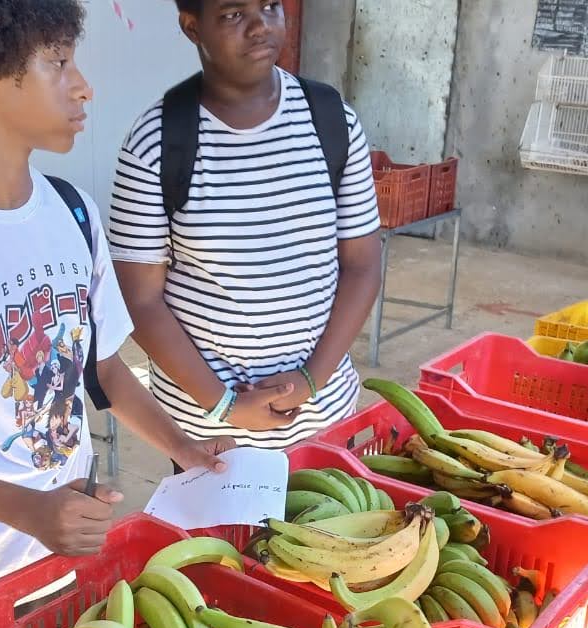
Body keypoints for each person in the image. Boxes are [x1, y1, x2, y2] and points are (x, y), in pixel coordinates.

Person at [0, 0, 231, 615]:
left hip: (68, 542)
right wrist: (32, 512)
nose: (83, 86)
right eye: (57, 63)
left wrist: (184, 447)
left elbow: (103, 369)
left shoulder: (74, 213)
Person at [109, 0, 384, 452]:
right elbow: (139, 299)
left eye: (270, 6)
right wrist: (226, 406)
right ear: (192, 27)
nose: (260, 27)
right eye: (234, 14)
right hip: (210, 440)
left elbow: (362, 265)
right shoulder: (156, 142)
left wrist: (311, 379)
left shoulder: (333, 121)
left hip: (325, 423)